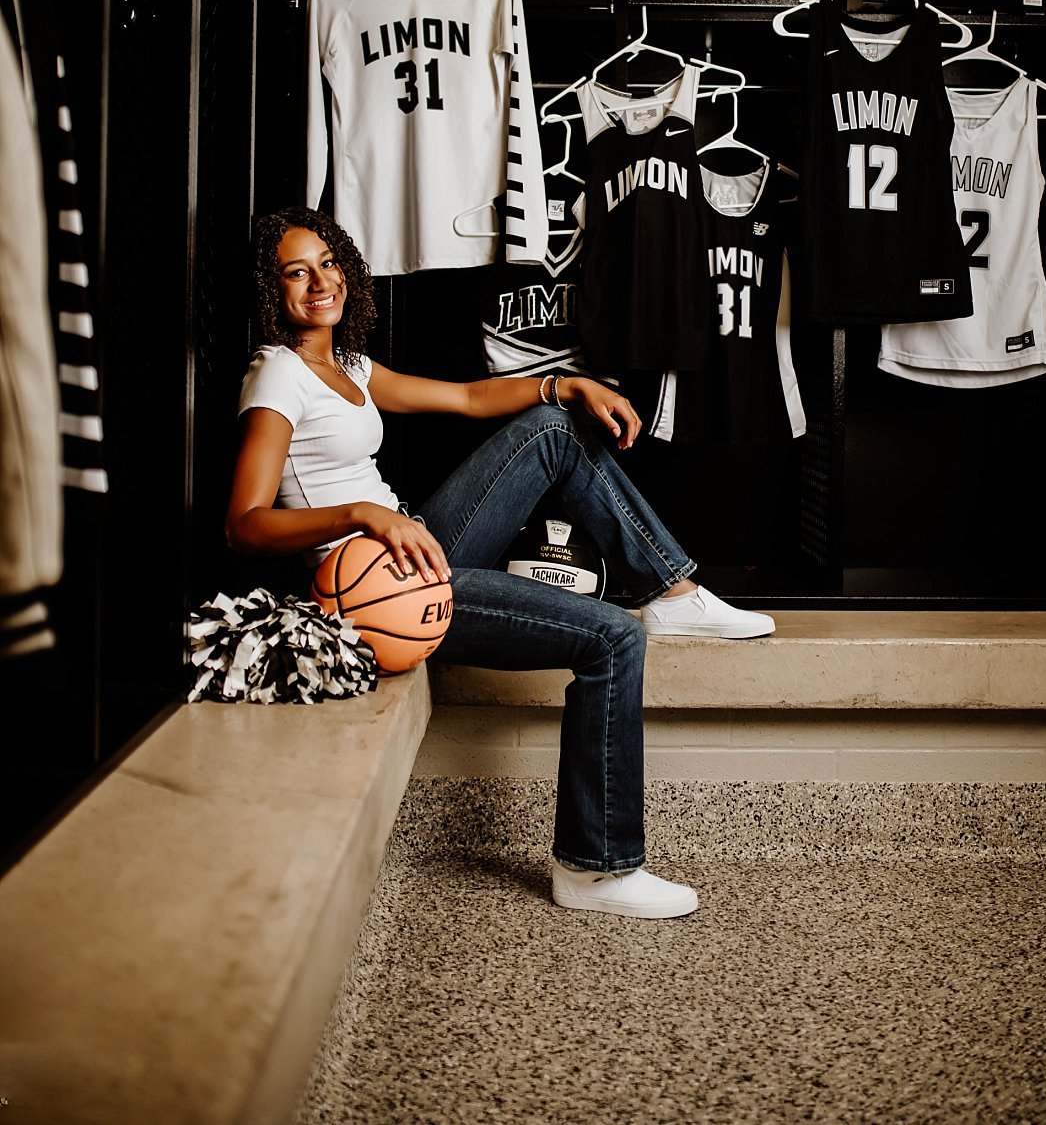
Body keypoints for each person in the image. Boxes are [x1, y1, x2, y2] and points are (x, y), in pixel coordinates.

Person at [225, 207, 770, 921]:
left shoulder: (347, 365)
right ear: (272, 291)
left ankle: (671, 586)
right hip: (372, 598)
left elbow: (466, 396)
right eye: (295, 271)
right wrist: (361, 514)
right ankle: (595, 867)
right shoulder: (278, 374)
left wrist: (566, 383)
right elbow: (245, 524)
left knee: (550, 427)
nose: (318, 281)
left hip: (413, 549)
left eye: (327, 262)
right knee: (613, 637)